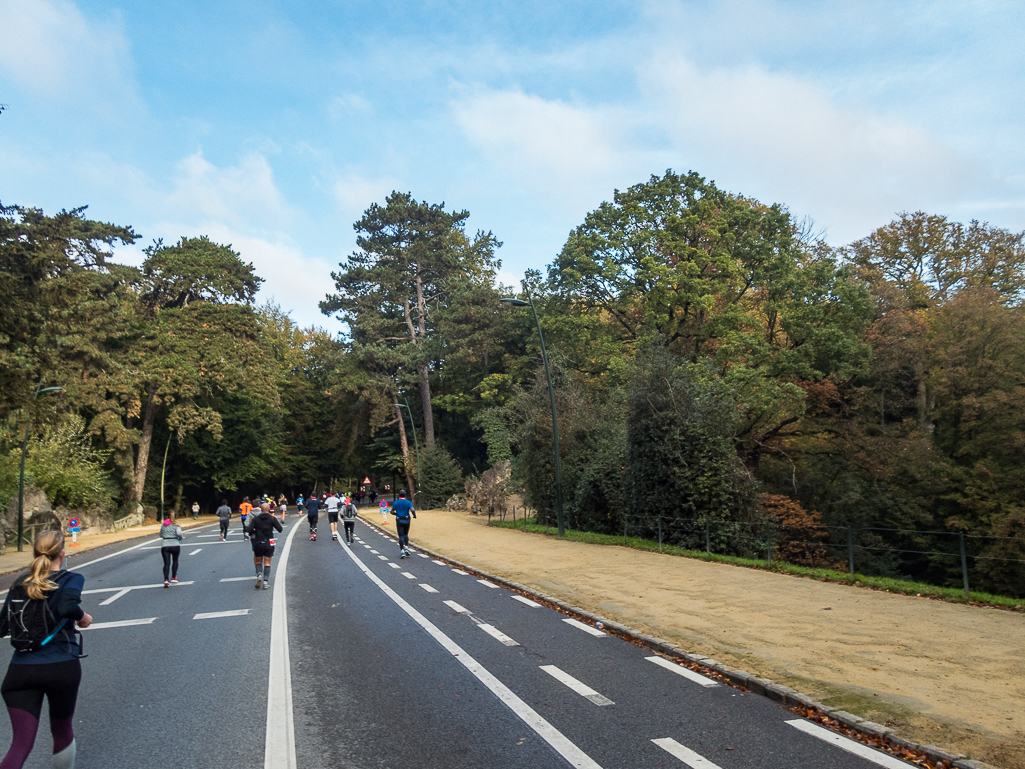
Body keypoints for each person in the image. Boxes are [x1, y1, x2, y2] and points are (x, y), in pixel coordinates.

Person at [0, 530, 93, 769]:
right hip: (61, 667)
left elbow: (2, 626)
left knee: (20, 745)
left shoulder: (19, 584)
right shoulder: (70, 579)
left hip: (20, 672)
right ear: (62, 554)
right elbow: (68, 604)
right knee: (62, 731)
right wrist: (83, 618)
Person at [246, 503, 283, 590]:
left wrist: (255, 531)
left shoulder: (256, 519)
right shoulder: (272, 518)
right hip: (269, 541)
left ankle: (259, 575)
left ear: (261, 509)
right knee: (267, 562)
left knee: (258, 561)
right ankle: (265, 582)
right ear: (269, 509)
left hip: (258, 541)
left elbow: (249, 529)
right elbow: (280, 529)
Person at [159, 515, 183, 587]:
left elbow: (160, 535)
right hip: (175, 544)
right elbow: (179, 533)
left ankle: (166, 580)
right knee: (175, 560)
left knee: (166, 563)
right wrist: (180, 537)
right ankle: (174, 577)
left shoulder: (163, 525)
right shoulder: (176, 524)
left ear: (167, 516)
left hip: (165, 545)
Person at [392, 490, 416, 558]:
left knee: (401, 536)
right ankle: (406, 547)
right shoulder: (408, 502)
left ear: (399, 495)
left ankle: (402, 551)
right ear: (405, 495)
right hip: (407, 520)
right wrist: (414, 516)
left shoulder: (396, 503)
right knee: (406, 534)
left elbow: (392, 511)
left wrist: (396, 514)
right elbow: (412, 510)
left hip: (399, 520)